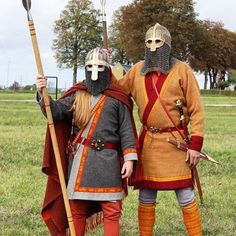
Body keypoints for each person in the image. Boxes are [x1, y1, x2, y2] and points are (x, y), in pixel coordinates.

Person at [36, 47, 138, 236]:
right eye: (90, 66)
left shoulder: (118, 97)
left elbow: (126, 131)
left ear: (106, 69)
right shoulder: (78, 93)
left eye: (99, 66)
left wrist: (130, 159)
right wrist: (43, 95)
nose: (94, 70)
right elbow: (56, 111)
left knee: (112, 210)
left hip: (109, 162)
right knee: (76, 210)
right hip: (80, 161)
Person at [114, 23, 205, 236]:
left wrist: (195, 145)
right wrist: (109, 69)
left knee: (184, 193)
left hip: (176, 143)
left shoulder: (182, 69)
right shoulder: (137, 70)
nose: (153, 47)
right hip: (149, 143)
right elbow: (118, 91)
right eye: (149, 42)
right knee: (146, 193)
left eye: (158, 42)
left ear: (167, 45)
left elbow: (197, 110)